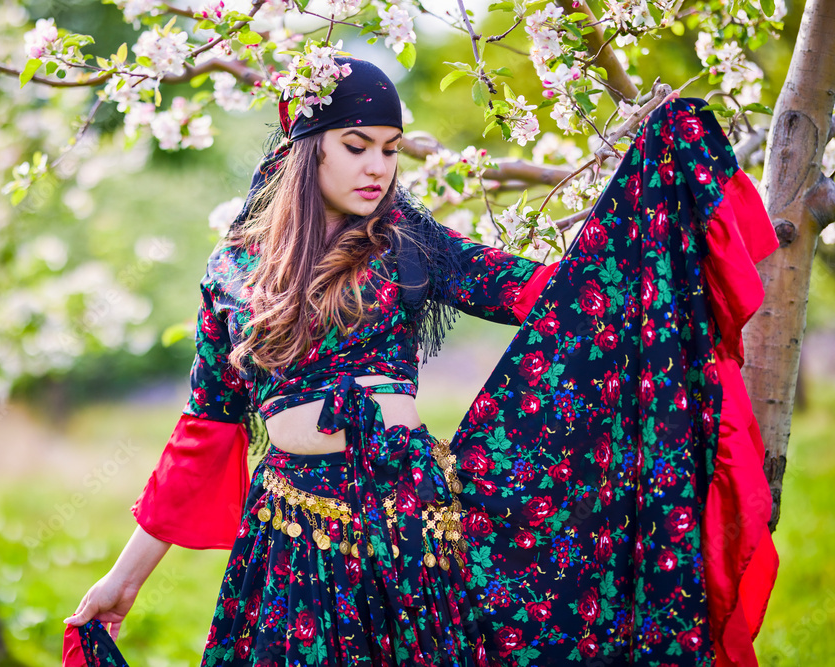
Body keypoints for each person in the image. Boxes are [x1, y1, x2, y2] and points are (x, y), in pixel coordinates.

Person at [64, 56, 778, 667]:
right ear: (307, 144)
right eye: (356, 144)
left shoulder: (406, 239)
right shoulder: (234, 269)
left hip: (410, 531)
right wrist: (124, 581)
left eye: (391, 147)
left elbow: (540, 293)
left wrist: (640, 219)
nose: (378, 166)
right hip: (293, 541)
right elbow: (207, 429)